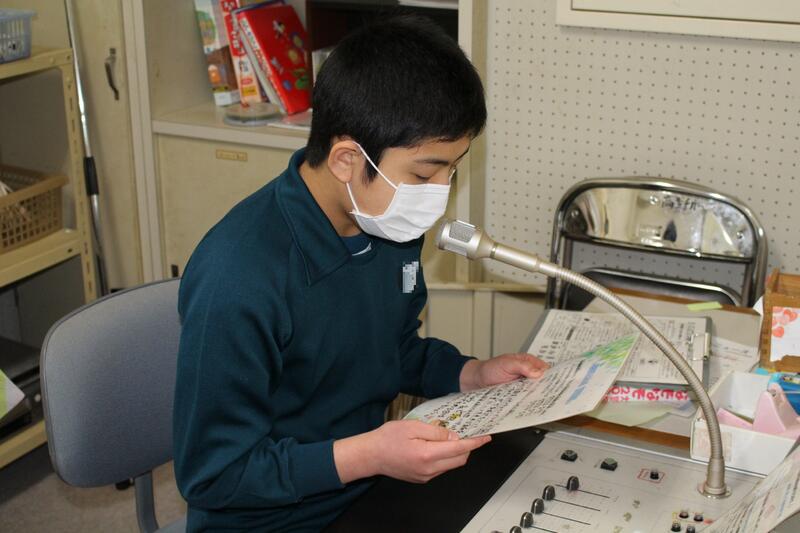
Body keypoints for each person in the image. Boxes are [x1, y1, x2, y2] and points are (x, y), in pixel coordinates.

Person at [173, 14, 548, 532]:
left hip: (368, 487)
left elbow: (391, 352)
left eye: (453, 169)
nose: (440, 193)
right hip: (271, 519)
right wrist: (368, 454)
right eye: (425, 173)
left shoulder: (385, 220)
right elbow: (214, 475)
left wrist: (472, 374)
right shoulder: (238, 277)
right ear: (346, 160)